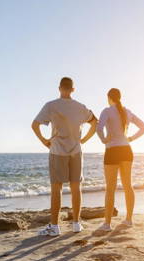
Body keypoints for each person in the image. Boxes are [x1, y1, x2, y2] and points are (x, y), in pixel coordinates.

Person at [32, 77, 97, 236]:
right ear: (73, 89)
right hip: (76, 150)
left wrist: (44, 142)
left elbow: (35, 125)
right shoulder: (80, 107)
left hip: (57, 151)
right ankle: (76, 224)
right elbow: (95, 122)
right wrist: (84, 140)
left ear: (60, 88)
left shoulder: (51, 106)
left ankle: (54, 227)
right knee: (76, 187)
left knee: (57, 189)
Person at [96, 88, 144, 231]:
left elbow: (98, 128)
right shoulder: (128, 112)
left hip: (112, 150)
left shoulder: (106, 111)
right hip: (126, 150)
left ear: (109, 97)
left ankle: (107, 224)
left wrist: (104, 140)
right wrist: (130, 138)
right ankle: (129, 220)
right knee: (127, 186)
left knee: (110, 189)